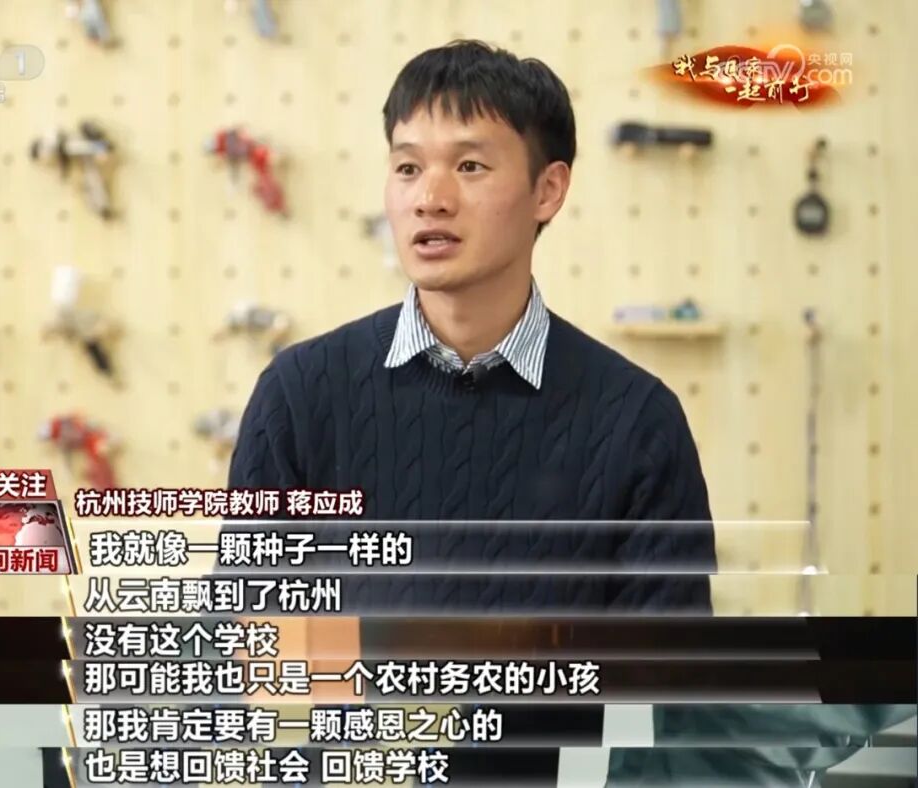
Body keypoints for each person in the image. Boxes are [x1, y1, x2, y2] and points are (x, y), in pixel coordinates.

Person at [228, 39, 716, 785]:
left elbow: (669, 710)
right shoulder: (299, 395)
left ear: (548, 190)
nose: (430, 198)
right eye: (407, 167)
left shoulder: (637, 421)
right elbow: (255, 660)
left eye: (469, 166)